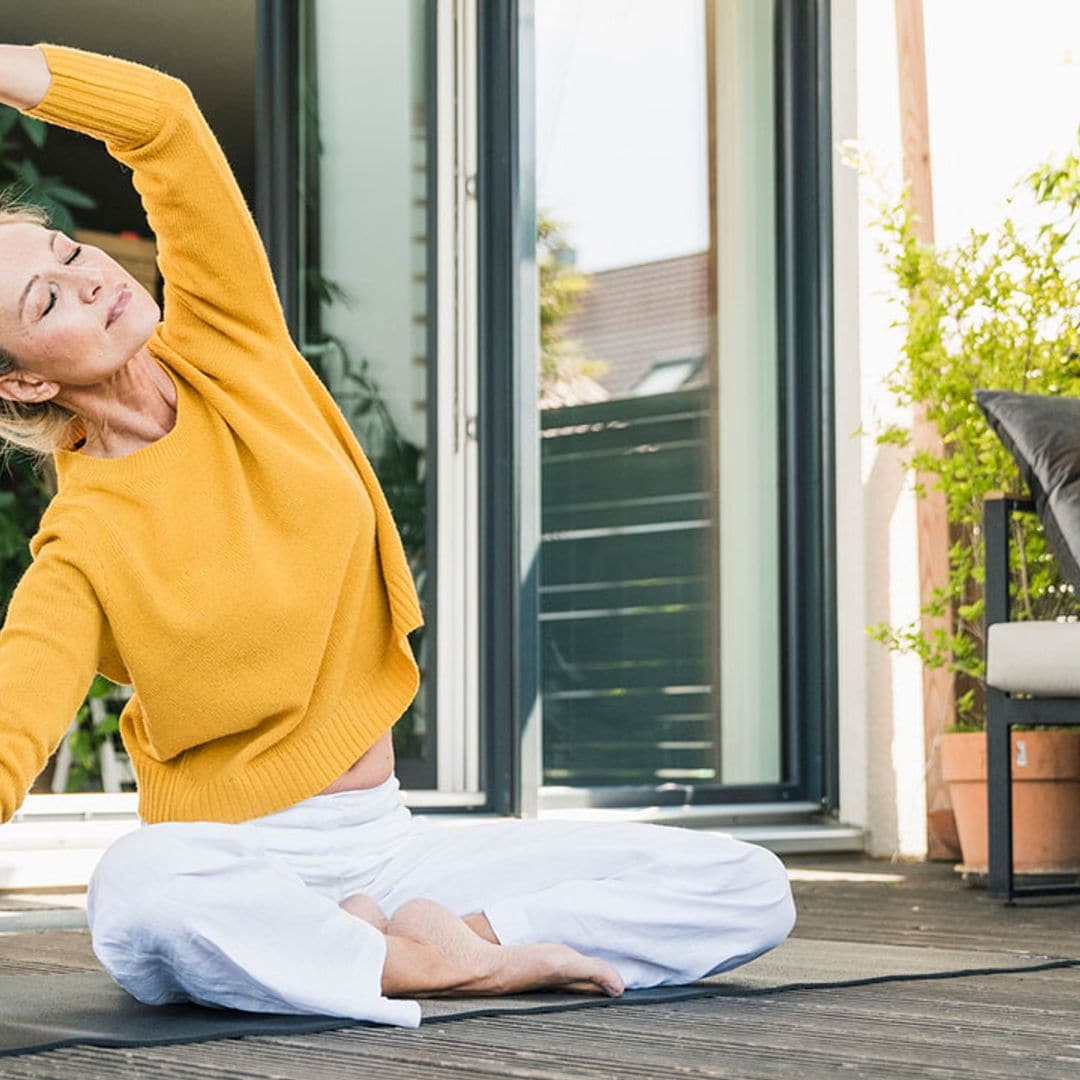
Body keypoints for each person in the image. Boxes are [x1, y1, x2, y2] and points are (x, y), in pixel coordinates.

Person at [0, 42, 795, 1029]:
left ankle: (434, 944)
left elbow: (163, 122)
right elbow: (8, 733)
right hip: (243, 859)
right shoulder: (82, 544)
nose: (91, 283)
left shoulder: (227, 342)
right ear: (26, 380)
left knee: (750, 883)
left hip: (391, 848)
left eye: (71, 256)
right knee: (141, 892)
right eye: (45, 301)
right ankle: (429, 959)